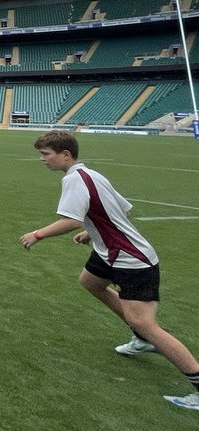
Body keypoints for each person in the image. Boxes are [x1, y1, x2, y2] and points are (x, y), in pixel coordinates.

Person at [20, 131, 199, 411]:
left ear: (65, 155)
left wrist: (37, 234)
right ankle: (141, 340)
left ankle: (193, 378)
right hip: (109, 254)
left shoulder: (74, 179)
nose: (42, 160)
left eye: (46, 154)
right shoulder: (92, 175)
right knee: (90, 282)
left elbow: (70, 220)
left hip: (131, 260)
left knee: (144, 322)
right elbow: (123, 210)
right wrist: (91, 235)